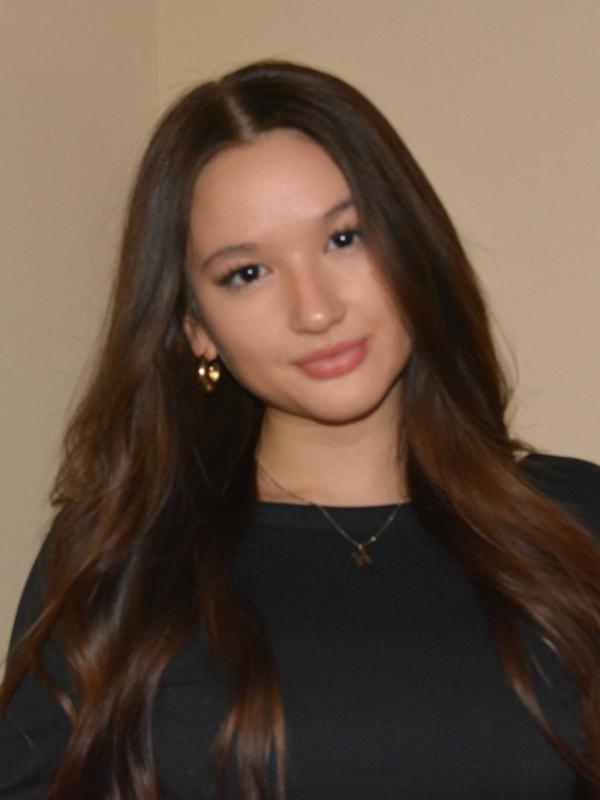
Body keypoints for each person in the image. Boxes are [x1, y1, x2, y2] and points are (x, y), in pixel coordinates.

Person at [1, 59, 599, 800]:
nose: (315, 310)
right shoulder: (114, 555)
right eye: (246, 273)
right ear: (196, 329)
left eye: (344, 239)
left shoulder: (576, 523)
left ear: (412, 244)